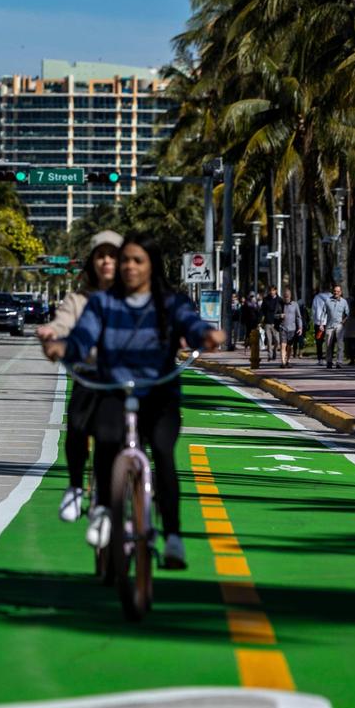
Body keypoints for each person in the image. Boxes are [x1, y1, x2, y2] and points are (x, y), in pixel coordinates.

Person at [42, 235, 224, 569]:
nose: (128, 266)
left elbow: (191, 323)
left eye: (136, 260)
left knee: (164, 454)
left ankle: (173, 537)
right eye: (125, 260)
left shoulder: (170, 302)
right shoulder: (102, 303)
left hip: (159, 392)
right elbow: (83, 337)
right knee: (107, 442)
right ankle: (103, 511)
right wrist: (63, 347)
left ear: (151, 265)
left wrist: (206, 336)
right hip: (115, 390)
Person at [37, 230, 122, 523]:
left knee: (114, 437)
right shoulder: (78, 300)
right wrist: (52, 334)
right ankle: (75, 487)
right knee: (77, 427)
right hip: (89, 377)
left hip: (126, 379)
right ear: (92, 264)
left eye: (113, 256)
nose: (106, 262)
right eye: (101, 256)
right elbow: (62, 323)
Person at [322, 285, 349, 369]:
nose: (336, 292)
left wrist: (344, 321)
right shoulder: (327, 301)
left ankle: (339, 362)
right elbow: (323, 313)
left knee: (340, 345)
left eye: (337, 291)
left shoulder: (344, 302)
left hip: (339, 326)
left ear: (340, 292)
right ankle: (329, 362)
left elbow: (348, 314)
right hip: (329, 326)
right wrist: (321, 324)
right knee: (328, 345)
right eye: (334, 291)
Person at [278, 288, 303, 368]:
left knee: (290, 346)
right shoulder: (280, 304)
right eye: (285, 297)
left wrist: (300, 327)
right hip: (283, 328)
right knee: (283, 345)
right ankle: (283, 362)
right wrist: (279, 316)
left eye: (287, 296)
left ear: (290, 296)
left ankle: (288, 361)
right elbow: (274, 315)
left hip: (292, 328)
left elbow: (298, 317)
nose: (286, 298)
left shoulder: (295, 305)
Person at [260, 286, 284, 361]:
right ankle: (270, 355)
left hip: (276, 323)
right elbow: (262, 310)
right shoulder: (266, 299)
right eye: (270, 291)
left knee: (277, 340)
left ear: (276, 291)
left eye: (273, 290)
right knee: (269, 340)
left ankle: (274, 351)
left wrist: (282, 318)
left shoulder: (280, 300)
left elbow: (283, 310)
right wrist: (260, 320)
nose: (271, 292)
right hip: (267, 322)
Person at [241, 292, 262, 368]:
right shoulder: (246, 304)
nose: (252, 298)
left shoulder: (256, 305)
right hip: (248, 322)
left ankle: (252, 347)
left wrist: (259, 322)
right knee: (248, 334)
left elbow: (259, 313)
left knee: (255, 336)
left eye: (253, 296)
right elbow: (243, 313)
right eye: (251, 296)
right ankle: (246, 347)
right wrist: (243, 321)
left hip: (255, 322)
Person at [312, 288, 331, 364]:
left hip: (319, 323)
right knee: (329, 341)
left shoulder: (317, 297)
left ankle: (320, 359)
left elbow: (313, 310)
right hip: (329, 322)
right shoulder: (332, 297)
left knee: (319, 341)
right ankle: (329, 358)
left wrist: (314, 320)